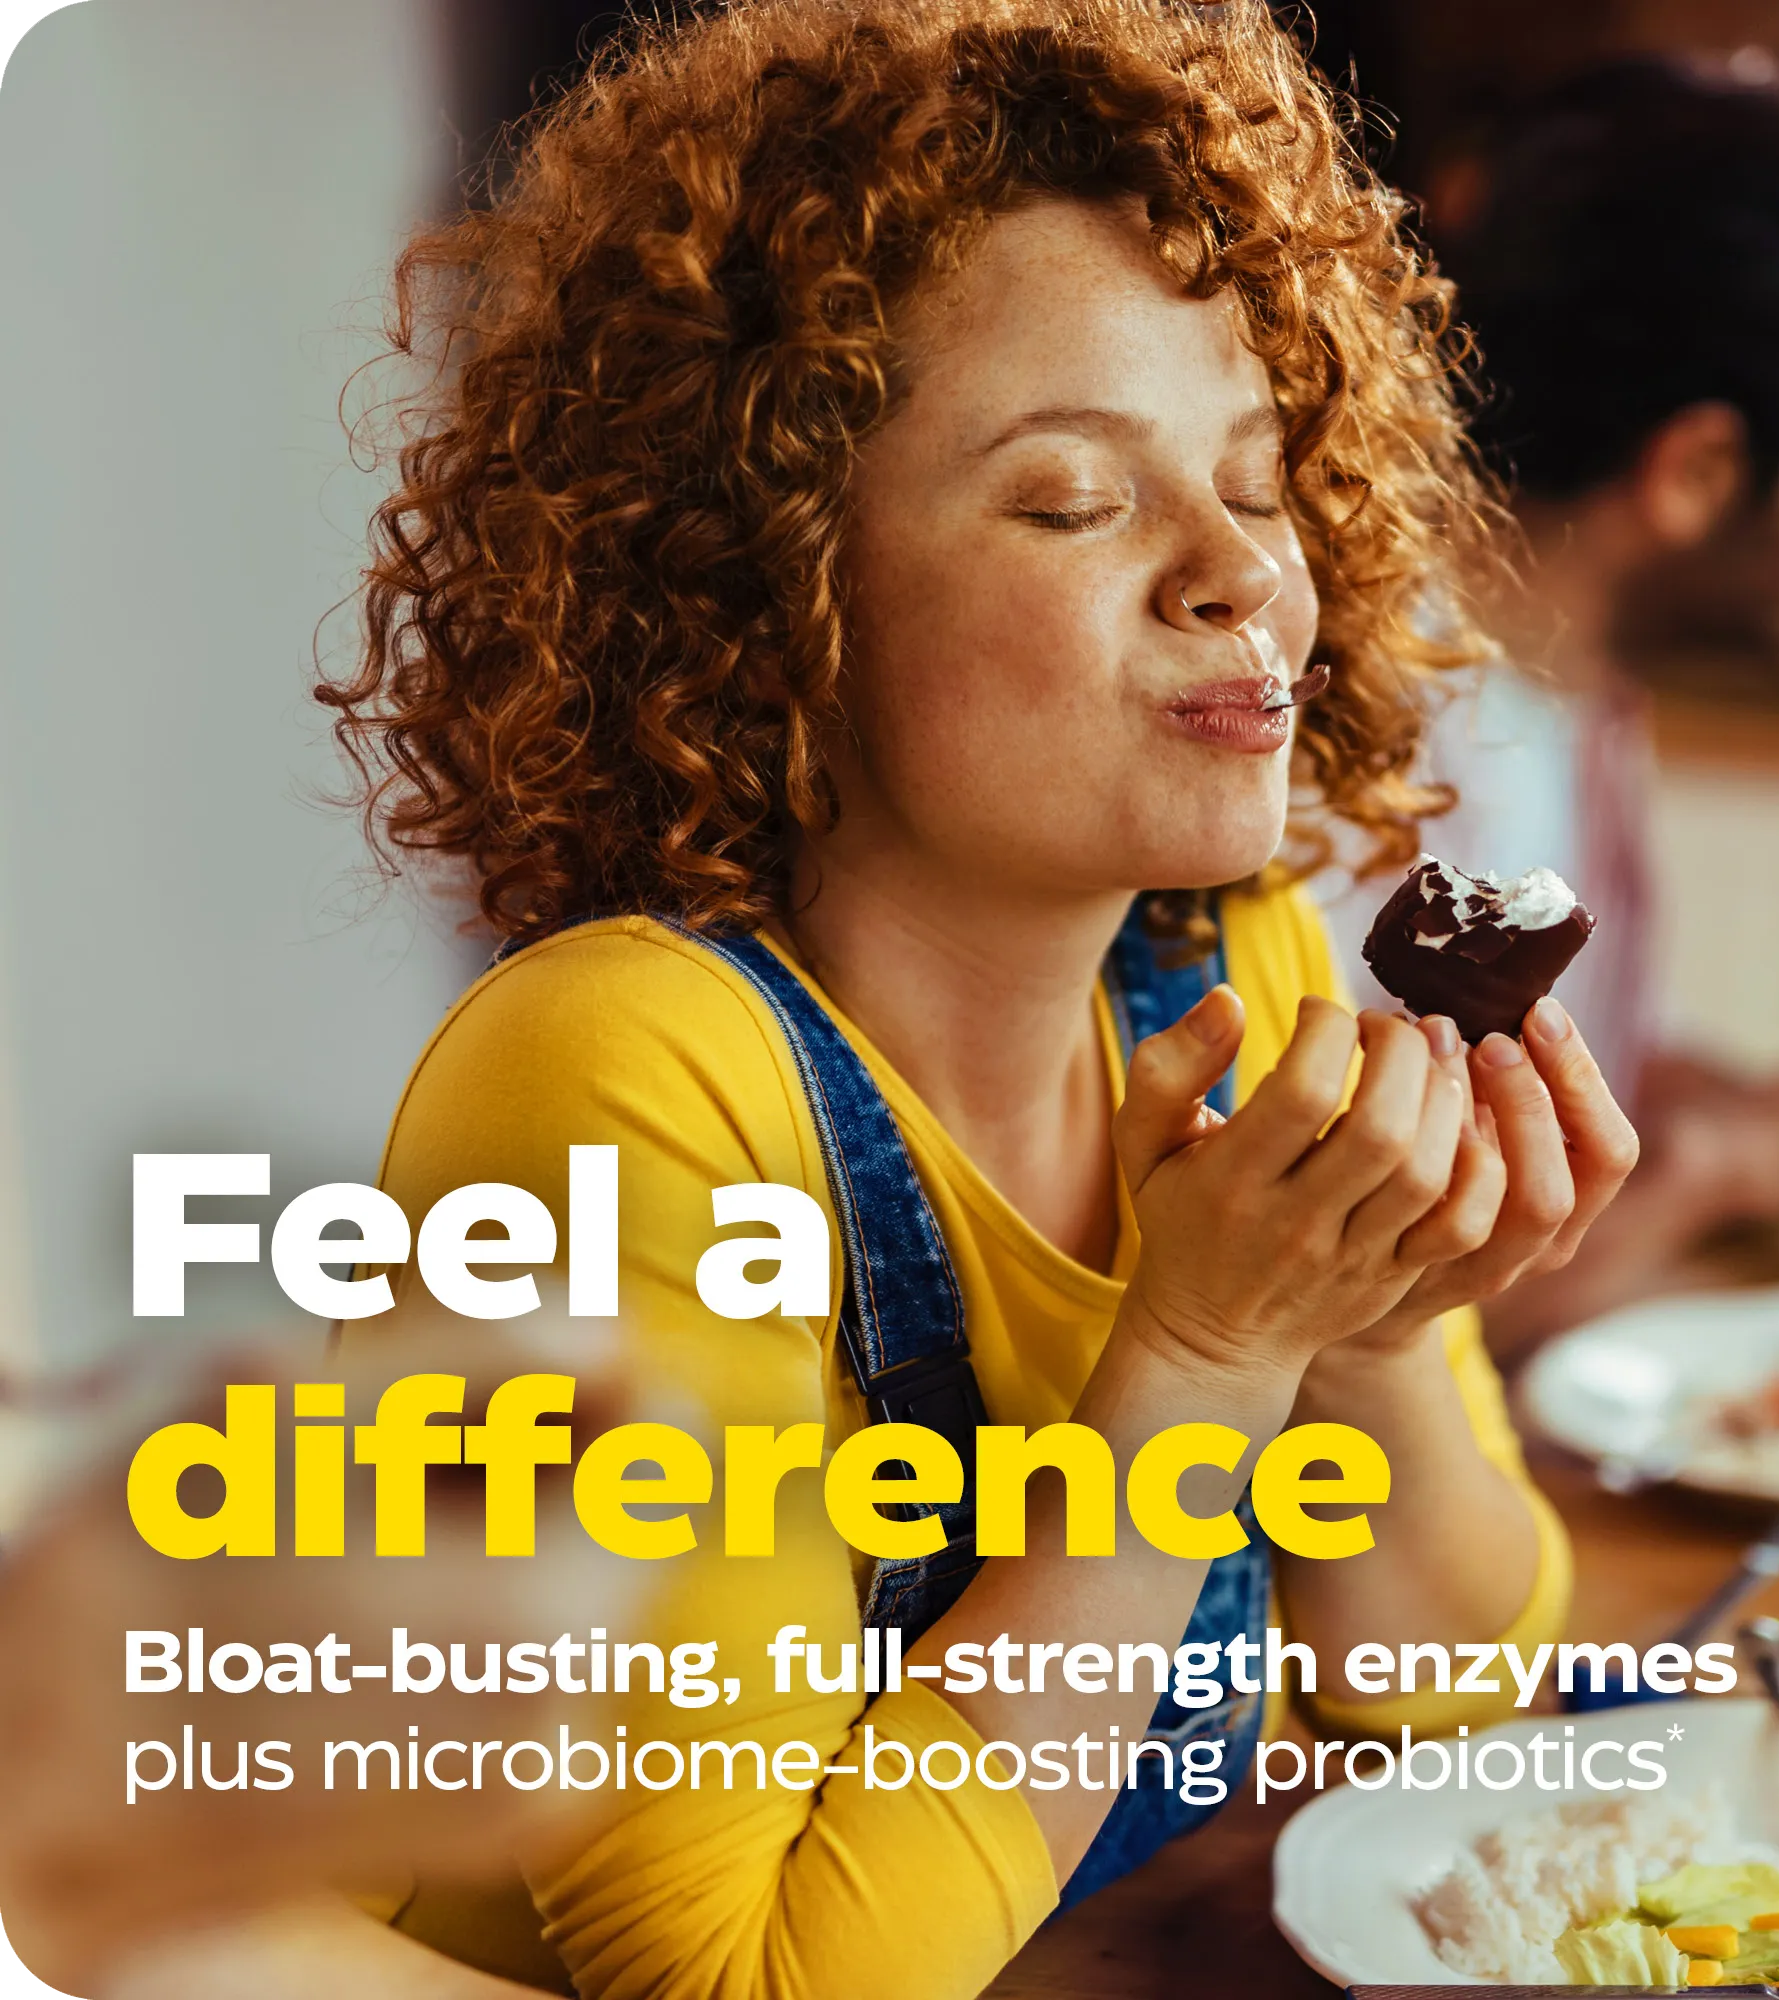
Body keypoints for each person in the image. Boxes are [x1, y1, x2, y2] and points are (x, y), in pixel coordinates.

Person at [84, 5, 1640, 1996]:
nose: (1236, 572)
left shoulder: (1221, 966)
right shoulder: (618, 1082)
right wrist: (1195, 1361)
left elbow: (1440, 1681)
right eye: (1074, 500)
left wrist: (1370, 1328)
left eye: (1257, 479)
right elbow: (749, 1977)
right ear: (773, 596)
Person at [1321, 54, 1779, 1355]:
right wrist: (1748, 1155)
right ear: (1696, 469)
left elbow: (1569, 1075)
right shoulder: (1354, 756)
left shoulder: (1572, 682)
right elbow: (1362, 1323)